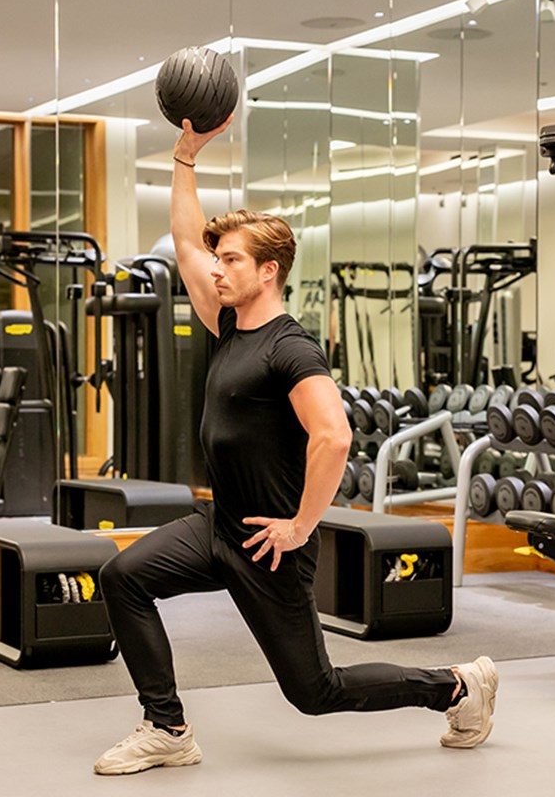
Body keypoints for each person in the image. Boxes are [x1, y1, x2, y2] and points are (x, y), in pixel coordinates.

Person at [92, 115, 498, 777]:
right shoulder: (227, 323)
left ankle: (456, 686)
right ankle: (167, 727)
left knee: (316, 691)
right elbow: (184, 241)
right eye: (218, 259)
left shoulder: (290, 348)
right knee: (122, 577)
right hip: (219, 524)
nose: (215, 269)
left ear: (269, 271)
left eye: (231, 261)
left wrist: (301, 526)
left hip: (267, 545)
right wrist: (185, 158)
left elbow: (333, 436)